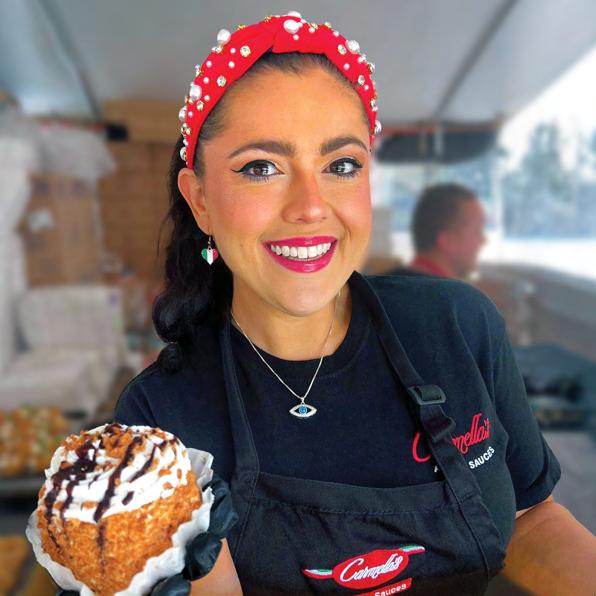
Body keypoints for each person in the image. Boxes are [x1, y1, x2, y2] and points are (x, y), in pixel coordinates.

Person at [115, 12, 596, 596]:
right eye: (261, 167)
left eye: (341, 165)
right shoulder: (161, 419)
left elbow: (529, 517)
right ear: (200, 200)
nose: (311, 207)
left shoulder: (457, 326)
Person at [408, 183, 487, 279]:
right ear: (448, 241)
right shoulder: (440, 288)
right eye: (477, 231)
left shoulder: (394, 282)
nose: (484, 240)